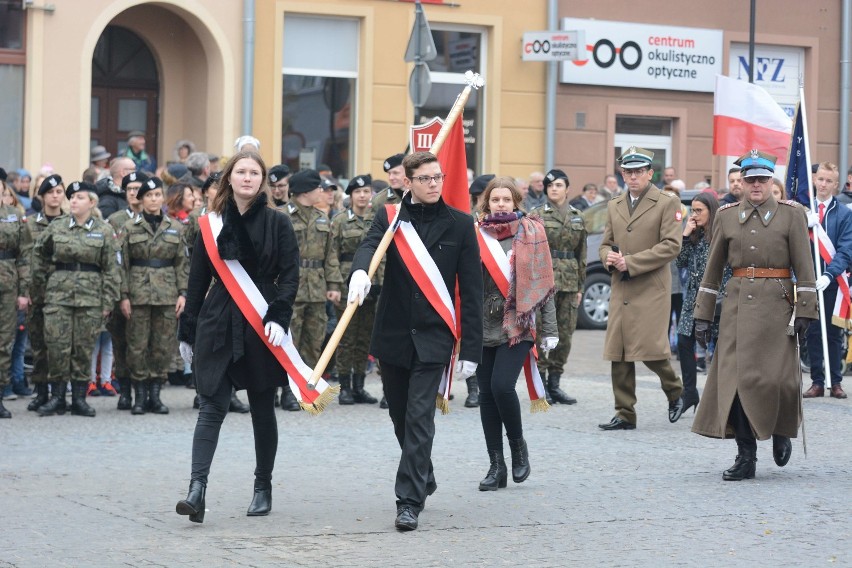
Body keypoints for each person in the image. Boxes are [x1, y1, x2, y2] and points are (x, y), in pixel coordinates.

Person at [348, 151, 483, 531]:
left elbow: (471, 291)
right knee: (399, 416)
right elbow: (368, 246)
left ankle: (408, 501)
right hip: (392, 333)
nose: (434, 184)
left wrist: (471, 350)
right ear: (408, 181)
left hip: (433, 336)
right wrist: (360, 271)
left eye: (438, 177)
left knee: (419, 416)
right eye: (425, 178)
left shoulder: (459, 224)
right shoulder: (391, 218)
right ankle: (423, 471)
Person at [176, 150, 299, 522]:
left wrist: (279, 315)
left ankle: (263, 486)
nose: (247, 178)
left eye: (254, 173)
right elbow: (196, 282)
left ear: (263, 181)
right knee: (212, 403)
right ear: (229, 178)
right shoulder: (209, 225)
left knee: (262, 406)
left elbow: (291, 276)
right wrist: (188, 330)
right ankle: (196, 490)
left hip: (261, 318)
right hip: (218, 316)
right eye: (241, 172)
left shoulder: (279, 224)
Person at [691, 149, 817, 480]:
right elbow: (713, 268)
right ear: (743, 183)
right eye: (750, 180)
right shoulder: (727, 215)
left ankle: (780, 430)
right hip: (735, 307)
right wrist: (703, 314)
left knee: (777, 380)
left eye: (762, 179)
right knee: (736, 381)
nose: (756, 185)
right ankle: (745, 455)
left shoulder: (792, 215)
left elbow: (804, 266)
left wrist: (806, 310)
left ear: (771, 181)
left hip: (778, 307)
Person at [474, 177, 557, 491]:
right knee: (486, 395)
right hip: (482, 324)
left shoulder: (531, 231)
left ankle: (518, 446)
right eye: (495, 200)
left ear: (516, 202)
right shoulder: (476, 233)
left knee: (501, 386)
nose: (500, 204)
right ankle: (496, 466)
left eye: (506, 199)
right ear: (487, 203)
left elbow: (543, 283)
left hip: (518, 323)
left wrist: (550, 330)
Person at [598, 146, 684, 430]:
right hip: (621, 285)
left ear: (650, 173)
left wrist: (632, 262)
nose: (633, 177)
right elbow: (605, 243)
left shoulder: (666, 202)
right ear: (622, 173)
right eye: (628, 172)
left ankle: (677, 391)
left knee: (649, 347)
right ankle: (624, 413)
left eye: (639, 172)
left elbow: (671, 246)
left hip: (651, 286)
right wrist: (607, 257)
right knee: (618, 350)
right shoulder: (615, 203)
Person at [31, 181, 121, 417]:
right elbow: (39, 255)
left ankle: (79, 399)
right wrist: (40, 287)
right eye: (71, 197)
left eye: (79, 197)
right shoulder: (58, 227)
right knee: (57, 347)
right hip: (58, 295)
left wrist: (107, 301)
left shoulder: (103, 230)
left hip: (90, 298)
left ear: (92, 202)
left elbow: (112, 268)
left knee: (82, 348)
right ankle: (58, 397)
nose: (73, 201)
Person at [118, 176, 188, 414]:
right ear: (142, 199)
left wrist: (183, 293)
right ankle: (139, 395)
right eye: (149, 195)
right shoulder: (129, 228)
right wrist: (124, 296)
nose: (154, 199)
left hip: (167, 294)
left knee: (163, 345)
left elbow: (182, 263)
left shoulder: (175, 228)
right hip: (137, 294)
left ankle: (155, 395)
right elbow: (122, 264)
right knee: (137, 345)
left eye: (157, 195)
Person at [281, 170, 342, 411]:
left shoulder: (322, 218)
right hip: (290, 287)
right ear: (306, 191)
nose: (322, 192)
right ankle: (287, 390)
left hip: (316, 288)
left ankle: (307, 388)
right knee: (289, 341)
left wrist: (334, 285)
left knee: (313, 340)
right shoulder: (281, 216)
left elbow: (331, 256)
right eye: (318, 188)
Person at [531, 169, 586, 405]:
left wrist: (580, 287)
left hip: (570, 283)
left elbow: (581, 253)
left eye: (559, 185)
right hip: (545, 283)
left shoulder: (577, 216)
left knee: (565, 334)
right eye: (550, 185)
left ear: (567, 188)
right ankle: (541, 384)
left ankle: (555, 384)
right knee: (544, 332)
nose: (554, 189)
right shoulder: (536, 215)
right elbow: (529, 253)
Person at [803, 162, 852, 399]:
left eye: (828, 181)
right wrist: (805, 224)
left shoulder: (844, 213)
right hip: (809, 282)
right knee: (812, 333)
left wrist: (829, 274)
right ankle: (817, 382)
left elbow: (845, 250)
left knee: (832, 333)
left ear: (835, 184)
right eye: (820, 179)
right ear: (815, 180)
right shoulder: (803, 211)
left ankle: (836, 382)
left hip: (832, 282)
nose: (823, 184)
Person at [331, 174, 380, 405]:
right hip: (346, 284)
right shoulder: (340, 221)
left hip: (372, 284)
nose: (362, 195)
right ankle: (345, 387)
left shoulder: (376, 219)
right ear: (350, 195)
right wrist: (334, 285)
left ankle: (360, 386)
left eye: (366, 191)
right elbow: (332, 254)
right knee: (346, 338)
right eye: (358, 192)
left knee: (364, 338)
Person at [676, 192, 726, 414]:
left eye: (699, 211)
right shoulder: (694, 234)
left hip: (715, 300)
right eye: (693, 210)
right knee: (683, 341)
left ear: (711, 211)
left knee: (717, 347)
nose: (694, 215)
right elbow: (680, 261)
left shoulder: (720, 235)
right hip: (692, 300)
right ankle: (690, 393)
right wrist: (686, 235)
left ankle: (719, 397)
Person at [24, 174, 66, 412]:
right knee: (39, 344)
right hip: (38, 291)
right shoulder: (30, 224)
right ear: (41, 196)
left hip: (63, 291)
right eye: (50, 192)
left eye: (59, 192)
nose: (55, 196)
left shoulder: (70, 222)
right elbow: (27, 258)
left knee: (59, 344)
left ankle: (58, 393)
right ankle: (40, 391)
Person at [0, 177, 31, 418]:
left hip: (8, 285)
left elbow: (24, 256)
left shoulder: (14, 216)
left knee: (4, 342)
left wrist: (24, 292)